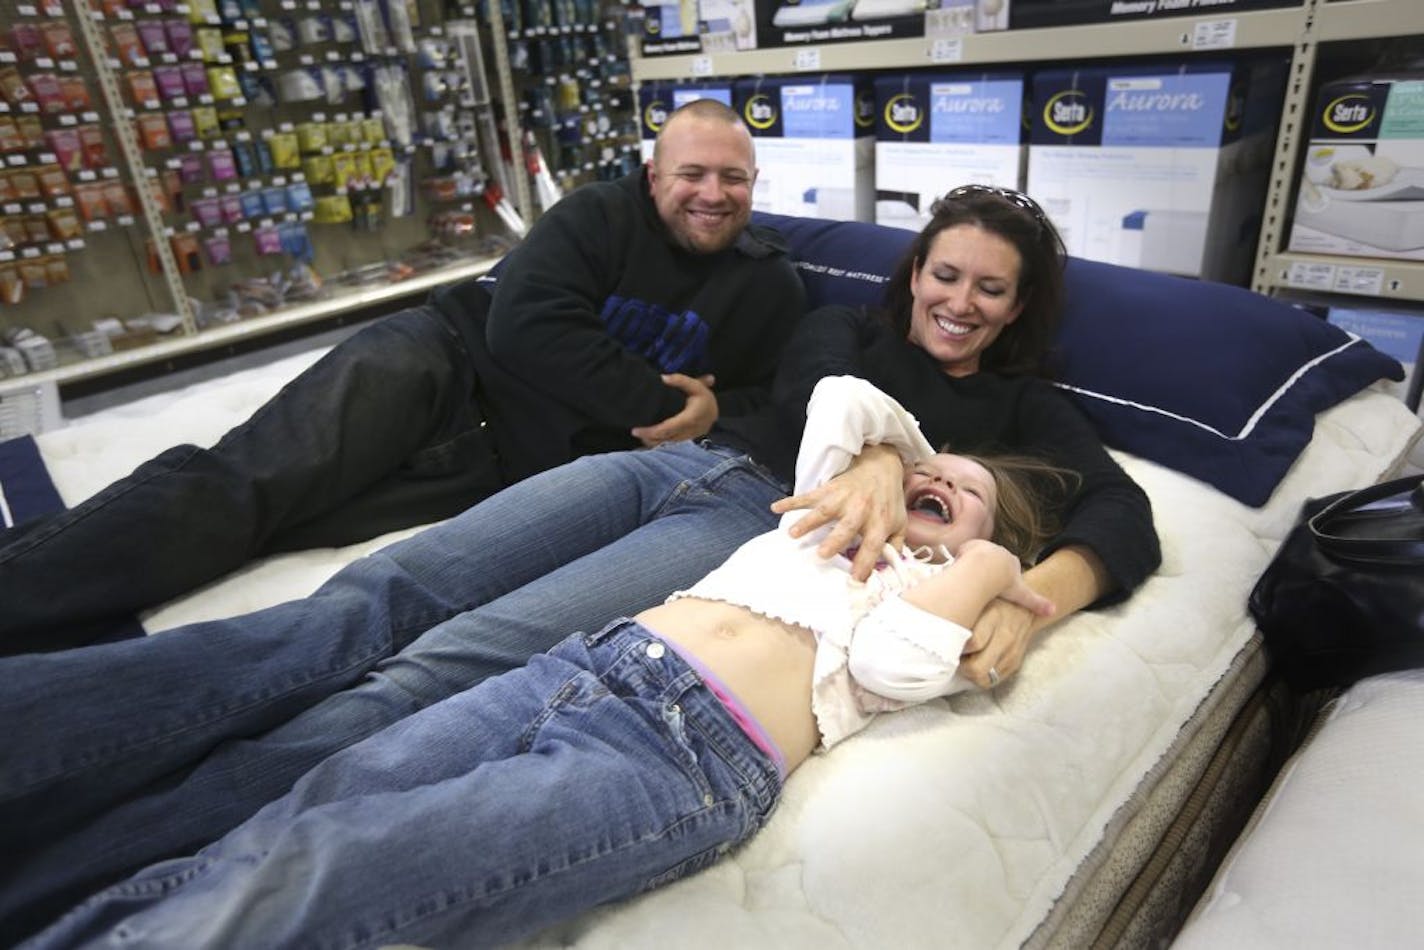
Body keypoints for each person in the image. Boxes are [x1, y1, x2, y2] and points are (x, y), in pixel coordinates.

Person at [0, 185, 1160, 943]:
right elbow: (817, 388)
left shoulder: (1021, 411)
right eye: (942, 274)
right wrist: (870, 457)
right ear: (912, 274)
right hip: (665, 468)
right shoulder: (844, 329)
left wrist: (1033, 598)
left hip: (740, 531)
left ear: (1015, 310)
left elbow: (1121, 514)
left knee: (410, 681)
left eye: (986, 288)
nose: (956, 301)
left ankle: (54, 886)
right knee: (366, 600)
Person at [25, 377, 1068, 949]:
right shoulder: (815, 512)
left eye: (960, 490)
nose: (936, 479)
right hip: (582, 664)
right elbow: (842, 395)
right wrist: (890, 458)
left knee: (332, 866)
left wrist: (979, 562)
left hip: (683, 758)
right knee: (302, 815)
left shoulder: (922, 590)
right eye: (934, 463)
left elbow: (895, 658)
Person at [0, 98, 805, 656]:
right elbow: (524, 328)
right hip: (436, 365)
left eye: (733, 178)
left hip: (495, 465)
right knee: (245, 488)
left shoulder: (768, 285)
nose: (712, 193)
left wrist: (709, 414)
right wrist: (657, 405)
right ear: (653, 174)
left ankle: (58, 620)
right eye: (692, 173)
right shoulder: (597, 214)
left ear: (754, 184)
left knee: (283, 529)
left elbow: (773, 400)